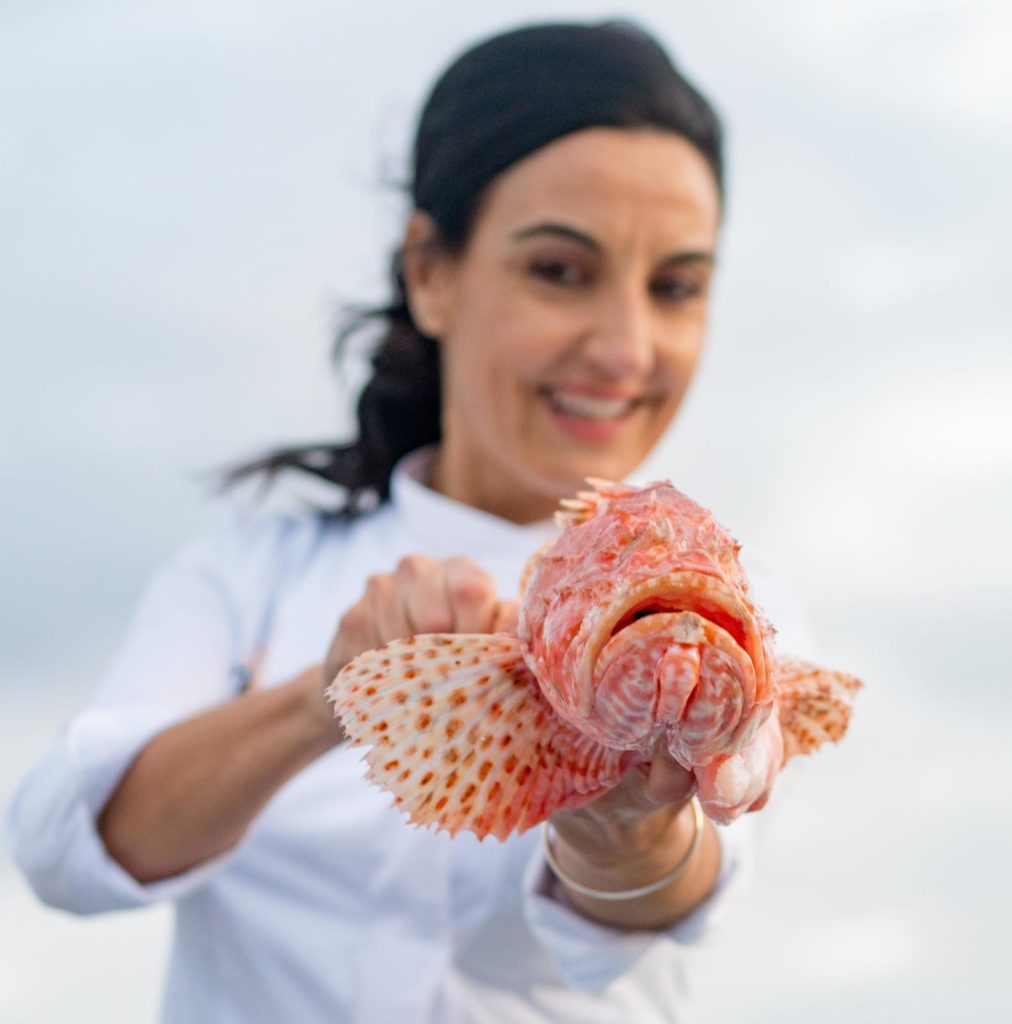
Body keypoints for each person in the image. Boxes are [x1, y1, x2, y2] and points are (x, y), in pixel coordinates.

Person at [8, 20, 808, 1024]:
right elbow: (65, 849)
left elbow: (672, 892)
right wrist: (327, 696)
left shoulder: (736, 599)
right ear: (430, 270)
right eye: (560, 271)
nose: (624, 347)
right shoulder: (250, 573)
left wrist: (624, 824)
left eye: (677, 287)